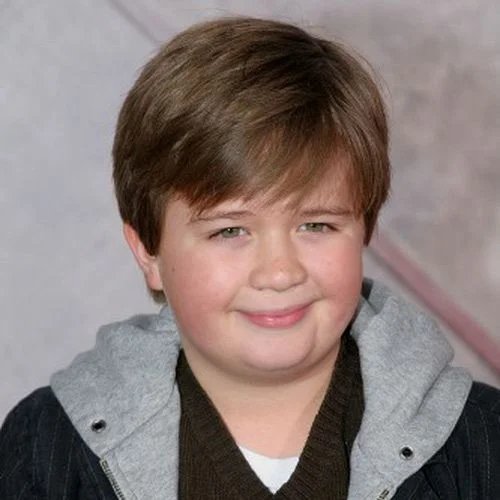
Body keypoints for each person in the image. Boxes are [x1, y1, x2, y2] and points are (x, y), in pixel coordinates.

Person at [1, 16, 499, 500]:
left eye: (316, 225)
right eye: (230, 231)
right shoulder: (43, 449)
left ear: (365, 228)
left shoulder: (483, 445)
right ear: (148, 252)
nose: (280, 272)